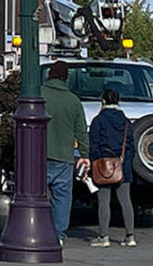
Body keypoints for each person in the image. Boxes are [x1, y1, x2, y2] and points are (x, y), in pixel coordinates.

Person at [41, 61, 90, 245]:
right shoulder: (73, 100)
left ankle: (38, 229)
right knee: (62, 197)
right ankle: (58, 235)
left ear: (49, 75)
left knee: (35, 195)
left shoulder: (38, 93)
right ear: (66, 78)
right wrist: (85, 155)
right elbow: (81, 131)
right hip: (64, 156)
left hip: (39, 155)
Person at [88, 88, 136, 247]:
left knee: (104, 201)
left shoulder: (98, 121)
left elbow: (93, 144)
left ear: (103, 101)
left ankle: (104, 236)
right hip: (123, 165)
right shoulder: (127, 121)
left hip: (103, 165)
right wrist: (125, 162)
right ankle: (130, 236)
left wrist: (94, 161)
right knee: (126, 201)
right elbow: (131, 146)